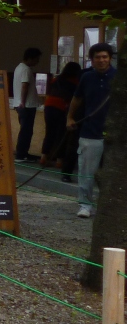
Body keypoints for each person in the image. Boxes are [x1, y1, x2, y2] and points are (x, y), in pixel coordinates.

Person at [67, 42, 116, 217]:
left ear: (110, 58)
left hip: (116, 134)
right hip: (90, 130)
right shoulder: (86, 77)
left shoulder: (119, 77)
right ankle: (85, 205)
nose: (101, 60)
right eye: (98, 57)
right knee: (86, 171)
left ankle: (110, 207)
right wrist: (70, 117)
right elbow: (77, 99)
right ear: (92, 60)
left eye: (105, 57)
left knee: (114, 173)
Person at [41, 62, 82, 182]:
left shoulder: (56, 79)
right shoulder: (75, 81)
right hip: (62, 108)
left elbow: (49, 92)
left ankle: (43, 157)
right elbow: (76, 97)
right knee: (61, 134)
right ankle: (59, 160)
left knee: (49, 132)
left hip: (49, 106)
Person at [12, 47, 43, 162]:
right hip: (26, 105)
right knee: (26, 131)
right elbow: (24, 86)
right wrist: (23, 102)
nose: (37, 61)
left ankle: (23, 153)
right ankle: (21, 154)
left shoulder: (18, 68)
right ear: (30, 58)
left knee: (26, 130)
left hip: (20, 104)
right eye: (36, 59)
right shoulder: (26, 70)